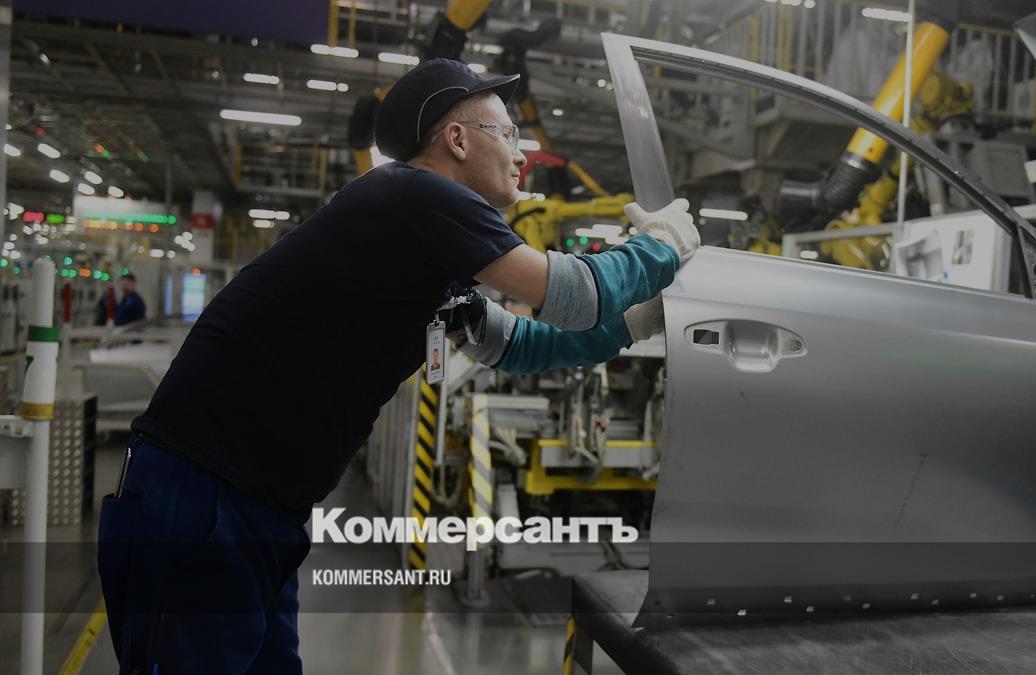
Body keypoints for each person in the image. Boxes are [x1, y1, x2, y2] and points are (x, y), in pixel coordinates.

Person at [97, 58, 699, 674]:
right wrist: (661, 247)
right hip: (200, 492)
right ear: (457, 139)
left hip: (261, 506)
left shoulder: (427, 252)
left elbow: (525, 343)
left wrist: (636, 324)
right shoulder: (413, 193)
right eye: (508, 134)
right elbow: (574, 295)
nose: (523, 155)